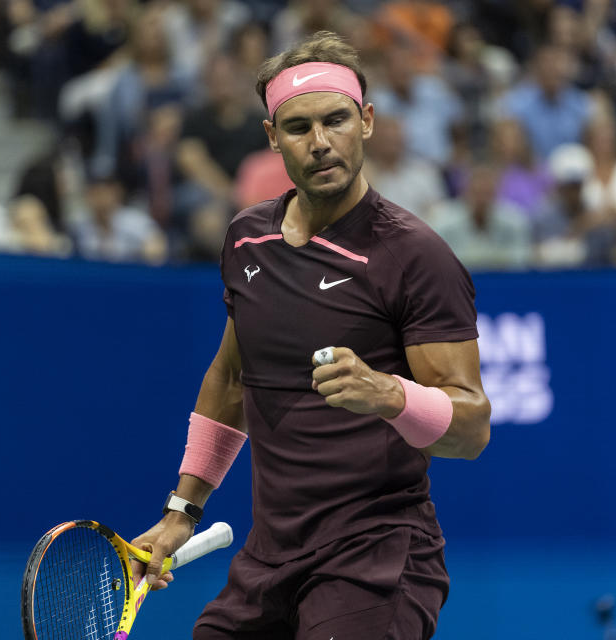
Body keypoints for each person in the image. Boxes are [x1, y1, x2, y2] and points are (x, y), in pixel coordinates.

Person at [129, 31, 491, 639]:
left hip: (376, 556)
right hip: (270, 557)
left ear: (367, 122)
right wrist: (181, 512)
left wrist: (388, 393)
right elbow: (233, 379)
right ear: (272, 138)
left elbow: (472, 428)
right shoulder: (248, 237)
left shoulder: (416, 256)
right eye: (298, 128)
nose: (321, 143)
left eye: (336, 120)